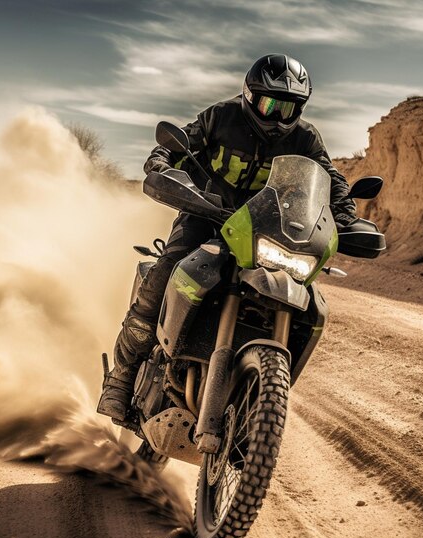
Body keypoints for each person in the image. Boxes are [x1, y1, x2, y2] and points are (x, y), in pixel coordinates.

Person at [97, 53, 358, 424]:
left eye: (288, 108)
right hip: (207, 216)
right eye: (270, 104)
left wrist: (347, 218)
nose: (277, 117)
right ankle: (121, 379)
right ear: (250, 96)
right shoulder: (221, 116)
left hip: (266, 230)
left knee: (309, 299)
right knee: (167, 270)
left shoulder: (305, 138)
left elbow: (331, 180)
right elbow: (180, 143)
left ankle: (257, 399)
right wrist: (161, 161)